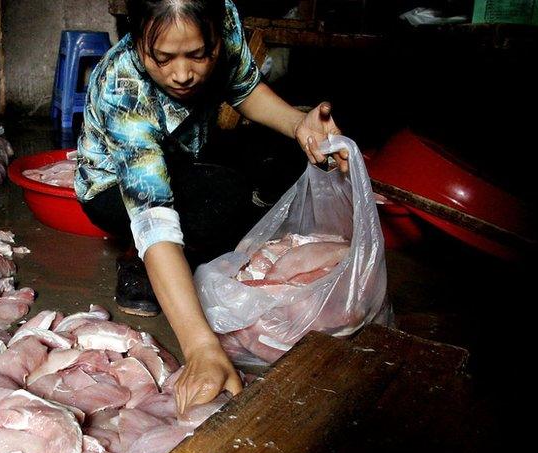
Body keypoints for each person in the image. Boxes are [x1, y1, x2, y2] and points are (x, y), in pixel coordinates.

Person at [75, 0, 349, 413]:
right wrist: (200, 345)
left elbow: (246, 89)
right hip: (114, 191)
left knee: (276, 163)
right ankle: (139, 263)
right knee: (219, 201)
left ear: (217, 36)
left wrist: (299, 124)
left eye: (198, 55)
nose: (183, 74)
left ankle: (178, 263)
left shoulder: (222, 17)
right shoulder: (122, 86)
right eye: (163, 58)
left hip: (182, 157)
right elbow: (154, 217)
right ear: (135, 40)